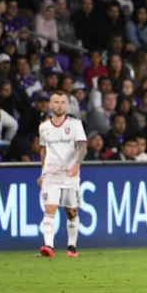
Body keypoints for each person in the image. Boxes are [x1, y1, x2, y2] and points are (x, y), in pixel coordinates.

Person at [37, 91, 87, 258]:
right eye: (56, 102)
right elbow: (43, 150)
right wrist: (42, 172)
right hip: (51, 174)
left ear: (66, 105)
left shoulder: (75, 124)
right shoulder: (44, 127)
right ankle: (48, 246)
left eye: (62, 102)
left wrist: (76, 165)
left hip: (70, 176)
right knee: (50, 209)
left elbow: (82, 147)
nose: (59, 105)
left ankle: (71, 247)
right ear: (51, 105)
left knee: (71, 212)